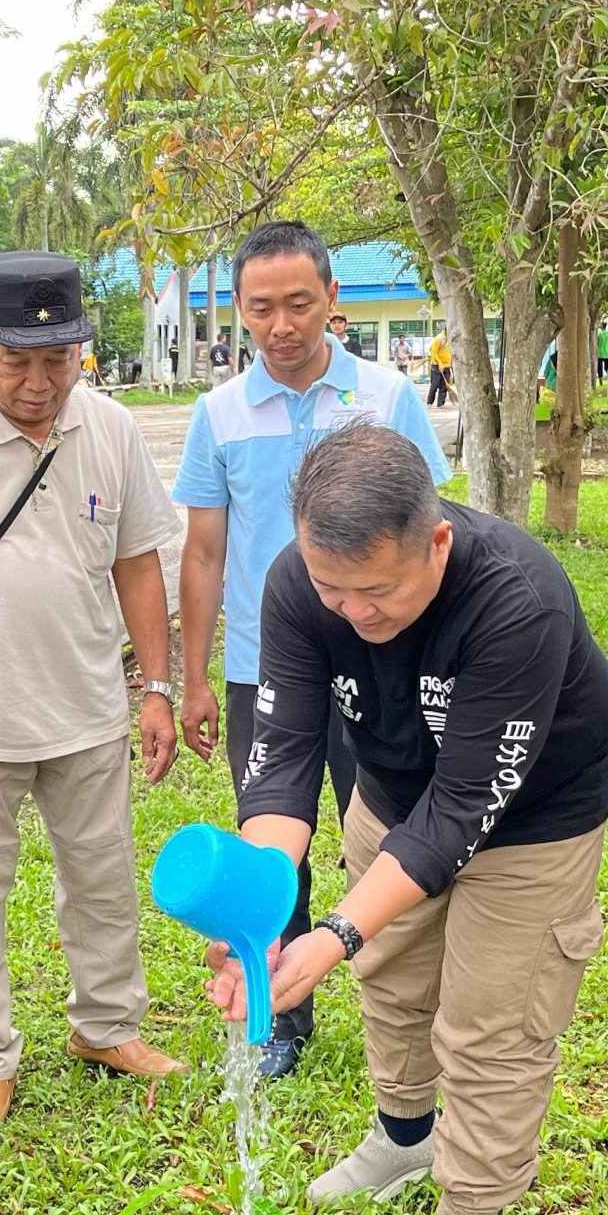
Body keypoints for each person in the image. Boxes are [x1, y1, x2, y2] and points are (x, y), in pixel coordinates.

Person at [209, 423, 608, 1215]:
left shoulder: (517, 601)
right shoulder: (294, 586)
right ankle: (404, 1139)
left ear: (435, 542)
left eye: (379, 591)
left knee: (491, 1022)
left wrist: (335, 930)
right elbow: (280, 762)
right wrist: (268, 908)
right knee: (390, 981)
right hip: (390, 793)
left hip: (532, 816)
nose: (355, 613)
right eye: (333, 590)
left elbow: (462, 814)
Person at [0, 251, 186, 1130]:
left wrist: (154, 687)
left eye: (59, 360)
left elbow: (136, 563)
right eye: (17, 360)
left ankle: (108, 1026)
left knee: (103, 881)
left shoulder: (112, 429)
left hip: (87, 708)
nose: (40, 381)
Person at [174, 219, 449, 1078]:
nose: (282, 324)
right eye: (262, 309)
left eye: (300, 303)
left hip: (385, 664)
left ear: (334, 299)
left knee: (391, 830)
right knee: (271, 846)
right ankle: (279, 1011)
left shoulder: (389, 399)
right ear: (239, 314)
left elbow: (432, 534)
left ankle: (401, 999)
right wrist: (192, 680)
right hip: (269, 664)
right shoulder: (217, 414)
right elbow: (205, 553)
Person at [426, 330, 453, 407]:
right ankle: (429, 403)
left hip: (446, 366)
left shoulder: (451, 338)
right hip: (436, 366)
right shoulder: (439, 339)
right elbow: (434, 352)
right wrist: (440, 363)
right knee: (434, 385)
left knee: (444, 386)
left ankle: (440, 404)